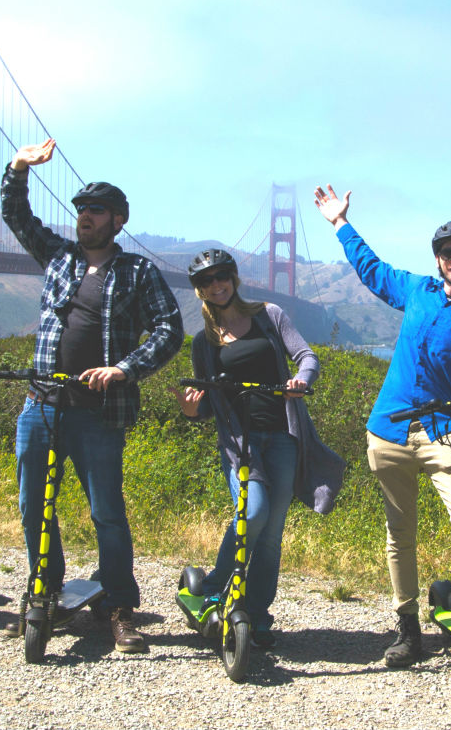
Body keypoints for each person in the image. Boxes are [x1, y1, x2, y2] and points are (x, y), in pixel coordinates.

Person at [312, 184, 451, 668]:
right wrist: (340, 223)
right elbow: (371, 270)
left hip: (444, 430)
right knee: (402, 534)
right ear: (437, 259)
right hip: (388, 429)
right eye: (447, 252)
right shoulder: (418, 290)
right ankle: (407, 627)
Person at [1, 139, 183, 653]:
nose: (84, 216)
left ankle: (119, 607)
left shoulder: (138, 272)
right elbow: (17, 215)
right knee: (33, 505)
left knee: (106, 511)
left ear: (118, 220)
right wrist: (19, 168)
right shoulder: (58, 256)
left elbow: (169, 330)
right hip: (41, 405)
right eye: (80, 208)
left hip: (99, 414)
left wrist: (124, 369)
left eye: (95, 210)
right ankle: (46, 591)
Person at [176, 249, 345, 650]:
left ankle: (258, 612)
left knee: (271, 534)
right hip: (240, 443)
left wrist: (302, 380)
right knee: (253, 512)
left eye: (222, 277)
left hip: (283, 435)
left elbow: (306, 356)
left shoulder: (270, 315)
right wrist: (189, 409)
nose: (216, 286)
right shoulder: (204, 340)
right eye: (206, 282)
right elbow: (204, 401)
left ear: (233, 277)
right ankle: (215, 588)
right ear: (200, 290)